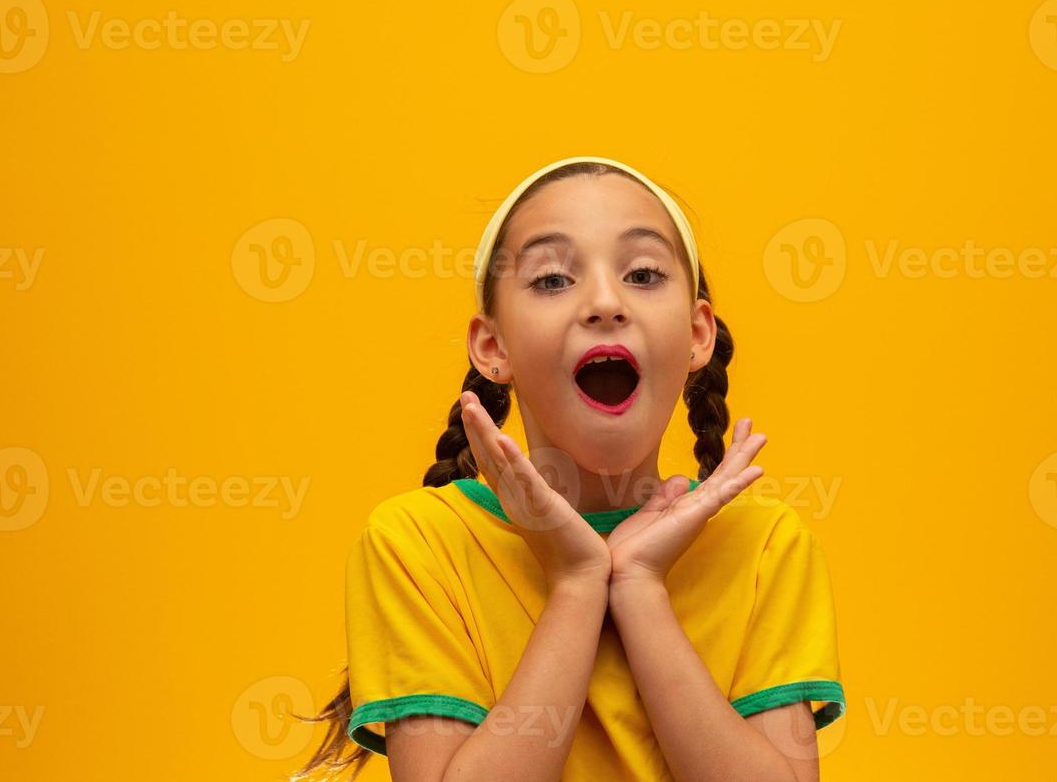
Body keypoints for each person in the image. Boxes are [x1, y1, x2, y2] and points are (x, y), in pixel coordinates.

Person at [298, 156, 844, 781]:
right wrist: (578, 583)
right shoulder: (417, 544)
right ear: (492, 346)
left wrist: (639, 587)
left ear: (698, 335)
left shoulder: (765, 546)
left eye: (642, 273)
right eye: (553, 280)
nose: (605, 303)